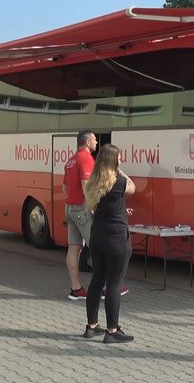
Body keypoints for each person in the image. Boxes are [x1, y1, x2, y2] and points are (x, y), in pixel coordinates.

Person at [83, 144, 136, 343]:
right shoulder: (119, 181)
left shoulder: (93, 182)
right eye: (119, 157)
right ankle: (112, 331)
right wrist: (118, 169)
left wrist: (120, 211)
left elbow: (100, 207)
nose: (121, 159)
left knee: (97, 279)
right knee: (114, 284)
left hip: (97, 236)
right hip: (116, 239)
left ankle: (91, 326)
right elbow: (133, 187)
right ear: (114, 160)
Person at [63, 130, 97, 300]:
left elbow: (65, 189)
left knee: (74, 247)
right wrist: (94, 208)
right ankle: (104, 286)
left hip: (69, 208)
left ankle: (75, 288)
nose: (97, 143)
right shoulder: (86, 158)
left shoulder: (70, 160)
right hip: (81, 209)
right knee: (97, 246)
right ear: (88, 142)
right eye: (95, 140)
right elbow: (86, 186)